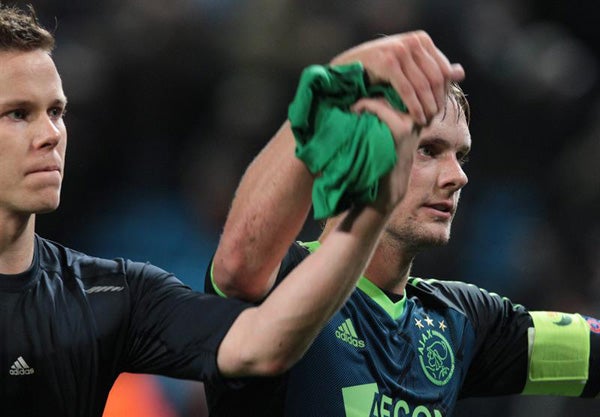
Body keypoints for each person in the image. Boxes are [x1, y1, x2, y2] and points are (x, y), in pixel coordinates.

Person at [0, 4, 419, 416]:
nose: (51, 134)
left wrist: (371, 208)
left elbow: (260, 345)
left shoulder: (108, 297)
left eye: (56, 112)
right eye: (19, 114)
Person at [205, 30, 600, 416]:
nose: (458, 176)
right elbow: (237, 264)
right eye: (428, 150)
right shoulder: (280, 281)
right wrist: (338, 82)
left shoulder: (461, 322)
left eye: (460, 156)